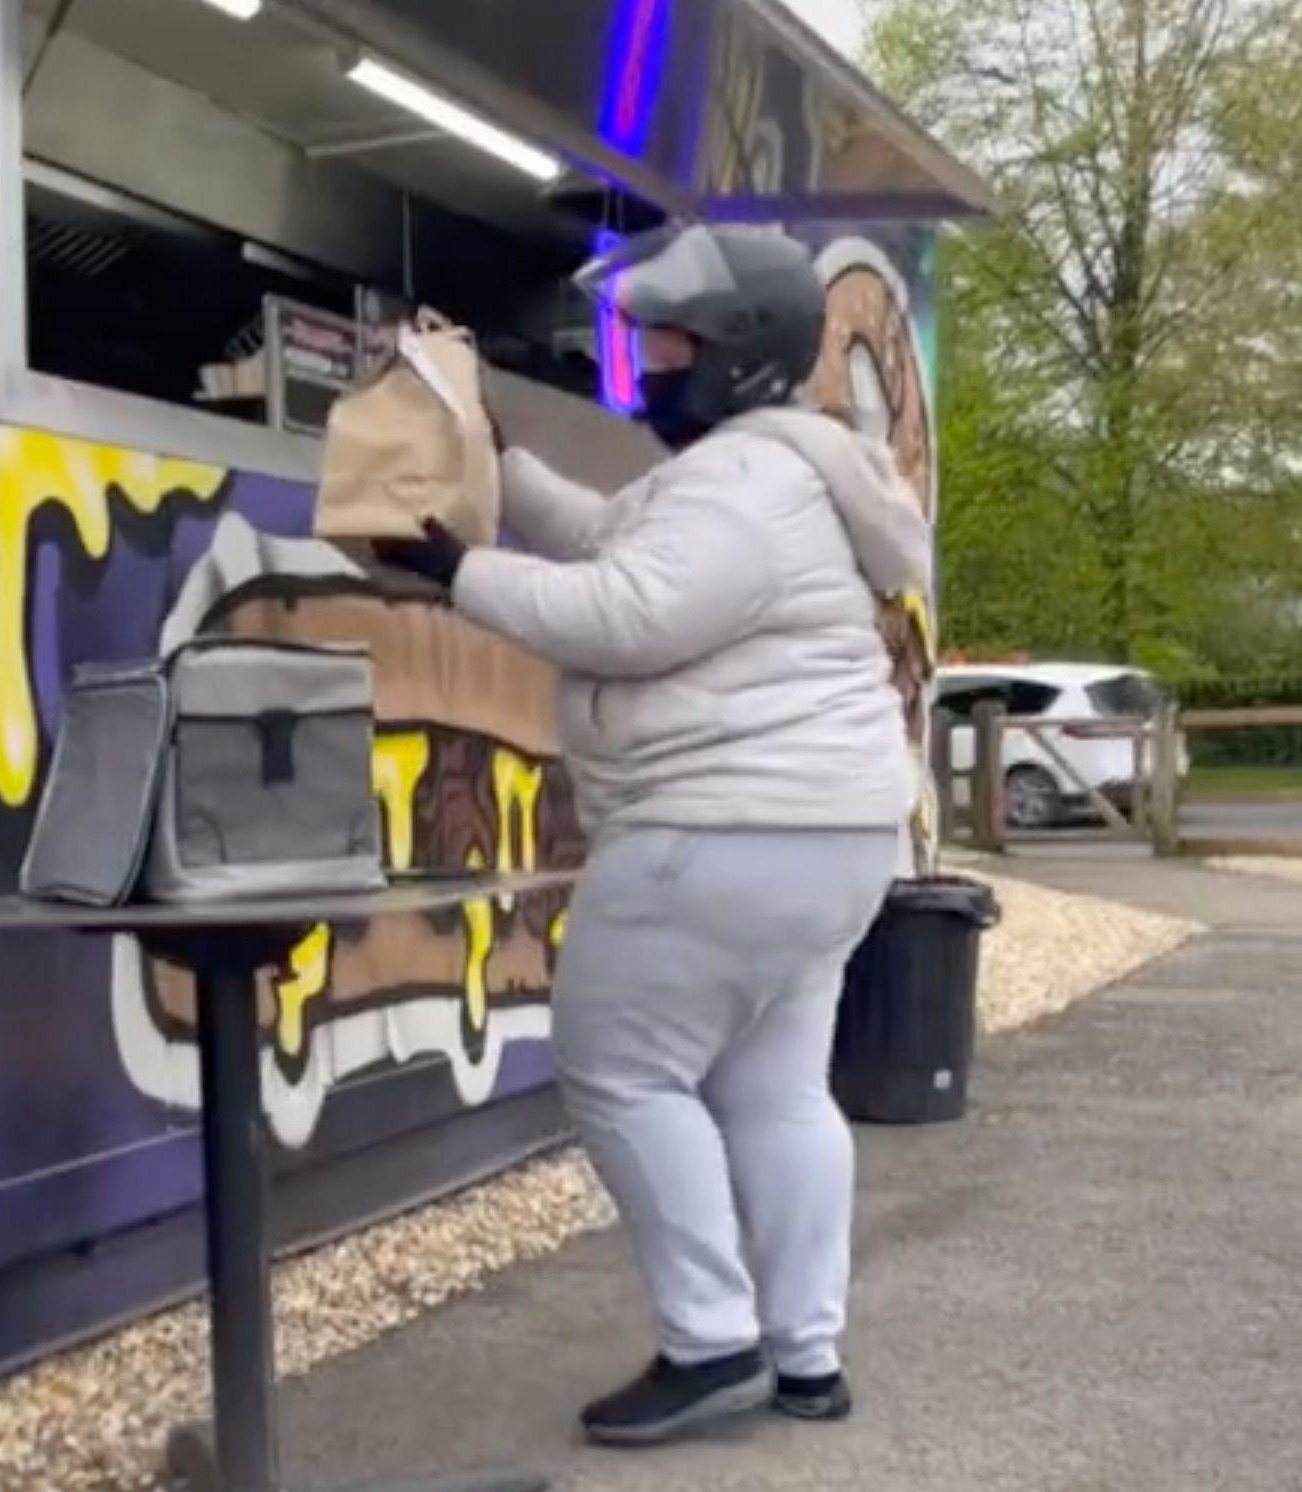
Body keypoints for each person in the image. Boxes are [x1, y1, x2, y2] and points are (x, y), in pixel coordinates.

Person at [374, 224, 930, 1446]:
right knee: (777, 1089)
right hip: (832, 838)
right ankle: (804, 1352)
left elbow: (623, 610)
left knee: (619, 1065)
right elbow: (611, 535)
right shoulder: (776, 468)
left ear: (732, 352)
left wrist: (454, 570)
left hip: (718, 828)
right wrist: (497, 463)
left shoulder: (744, 480)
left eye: (665, 342)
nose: (642, 363)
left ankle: (709, 1339)